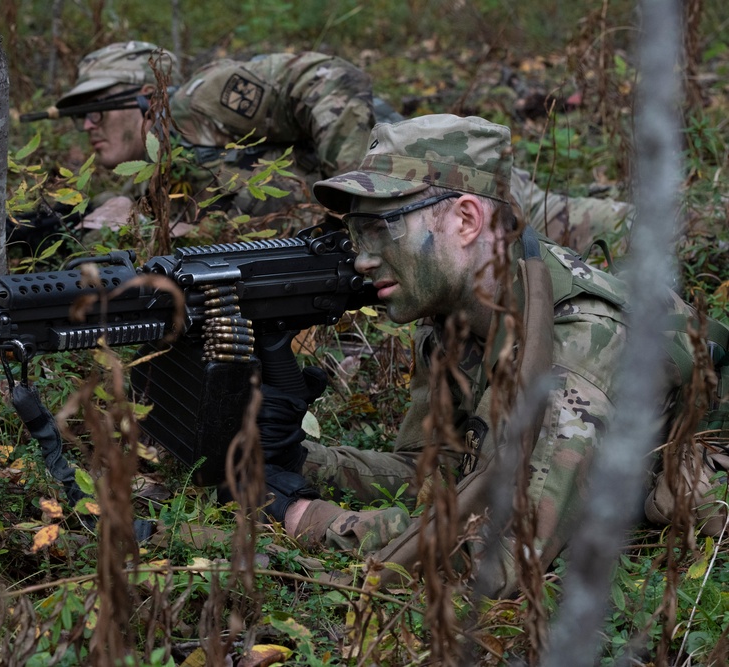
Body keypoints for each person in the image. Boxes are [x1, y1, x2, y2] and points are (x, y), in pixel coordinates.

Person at [253, 114, 694, 595]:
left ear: (466, 220)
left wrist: (310, 518)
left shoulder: (582, 341)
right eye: (358, 234)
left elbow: (498, 560)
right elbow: (434, 472)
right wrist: (295, 459)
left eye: (381, 229)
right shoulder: (457, 312)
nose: (362, 258)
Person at [34, 42, 632, 249]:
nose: (86, 125)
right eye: (77, 114)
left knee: (578, 226)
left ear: (146, 96)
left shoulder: (200, 101)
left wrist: (357, 193)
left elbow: (324, 75)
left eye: (96, 108)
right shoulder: (155, 175)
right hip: (408, 241)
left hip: (419, 177)